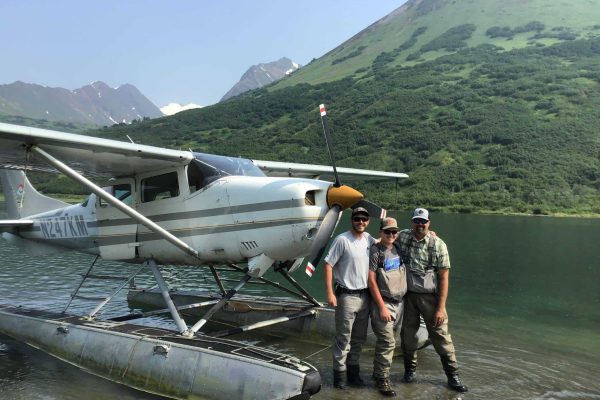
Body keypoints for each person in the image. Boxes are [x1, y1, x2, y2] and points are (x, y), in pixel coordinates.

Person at [397, 208, 468, 393]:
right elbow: (385, 236)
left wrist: (441, 308)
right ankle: (409, 372)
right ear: (412, 222)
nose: (420, 225)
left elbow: (444, 277)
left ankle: (453, 376)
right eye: (416, 221)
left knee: (441, 336)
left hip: (431, 298)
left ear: (429, 223)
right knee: (407, 335)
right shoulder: (403, 236)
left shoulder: (438, 244)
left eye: (423, 222)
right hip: (408, 296)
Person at [323, 206, 376, 389]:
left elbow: (389, 239)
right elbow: (328, 265)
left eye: (364, 219)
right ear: (351, 220)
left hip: (365, 296)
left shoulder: (370, 239)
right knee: (343, 339)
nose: (360, 222)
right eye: (357, 219)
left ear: (368, 221)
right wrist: (330, 293)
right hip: (346, 296)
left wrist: (429, 233)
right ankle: (340, 379)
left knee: (359, 339)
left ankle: (353, 375)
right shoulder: (342, 240)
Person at [367, 217, 407, 397]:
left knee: (391, 342)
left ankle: (377, 374)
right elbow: (371, 280)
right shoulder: (376, 251)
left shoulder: (398, 246)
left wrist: (431, 233)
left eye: (394, 232)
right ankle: (383, 379)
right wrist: (381, 306)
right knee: (387, 341)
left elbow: (413, 234)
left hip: (400, 303)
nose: (391, 234)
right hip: (383, 303)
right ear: (380, 232)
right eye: (387, 231)